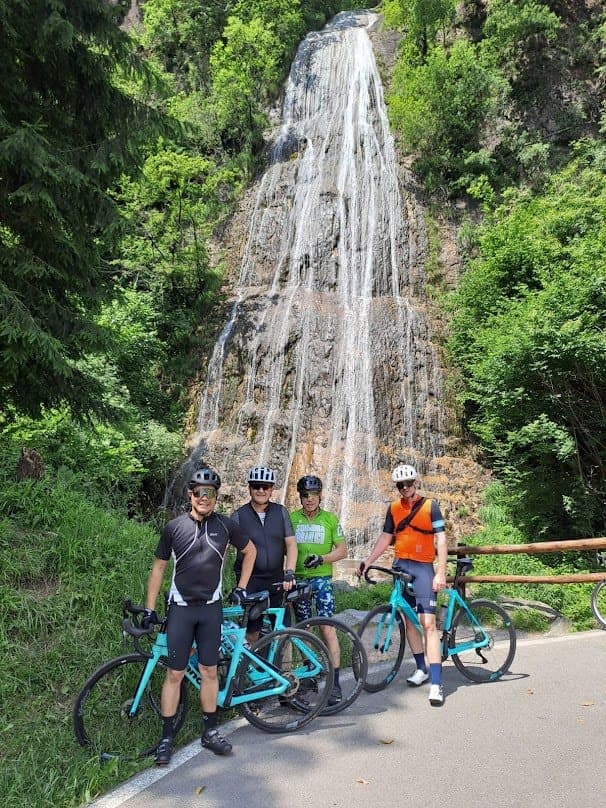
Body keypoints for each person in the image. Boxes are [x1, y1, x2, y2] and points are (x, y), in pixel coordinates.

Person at [144, 467, 256, 766]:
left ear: (216, 497)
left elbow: (251, 551)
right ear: (190, 494)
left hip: (211, 609)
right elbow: (158, 569)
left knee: (208, 671)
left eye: (210, 493)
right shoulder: (174, 528)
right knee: (174, 674)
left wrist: (242, 587)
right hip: (180, 609)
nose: (204, 498)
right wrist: (149, 608)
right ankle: (166, 738)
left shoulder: (226, 526)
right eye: (199, 492)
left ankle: (210, 731)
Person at [358, 464, 448, 706]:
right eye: (401, 485)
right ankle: (421, 668)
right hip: (401, 567)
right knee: (409, 621)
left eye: (408, 483)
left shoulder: (431, 506)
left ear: (416, 483)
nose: (405, 488)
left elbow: (440, 538)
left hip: (422, 569)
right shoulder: (394, 508)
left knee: (427, 624)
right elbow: (386, 537)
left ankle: (437, 684)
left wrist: (441, 572)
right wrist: (368, 560)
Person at [290, 475, 348, 705]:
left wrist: (322, 558)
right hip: (299, 580)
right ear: (300, 497)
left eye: (313, 495)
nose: (309, 500)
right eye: (305, 495)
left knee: (327, 627)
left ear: (320, 495)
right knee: (304, 629)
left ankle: (335, 682)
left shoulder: (330, 519)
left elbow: (342, 550)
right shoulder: (292, 518)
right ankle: (310, 674)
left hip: (322, 579)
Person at [230, 466, 297, 642]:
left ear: (271, 489)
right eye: (256, 486)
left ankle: (283, 669)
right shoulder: (238, 516)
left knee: (283, 630)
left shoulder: (281, 512)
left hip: (277, 579)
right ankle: (251, 668)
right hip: (250, 582)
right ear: (250, 488)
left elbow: (291, 545)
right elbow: (221, 551)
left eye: (265, 487)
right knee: (251, 631)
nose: (261, 490)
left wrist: (289, 572)